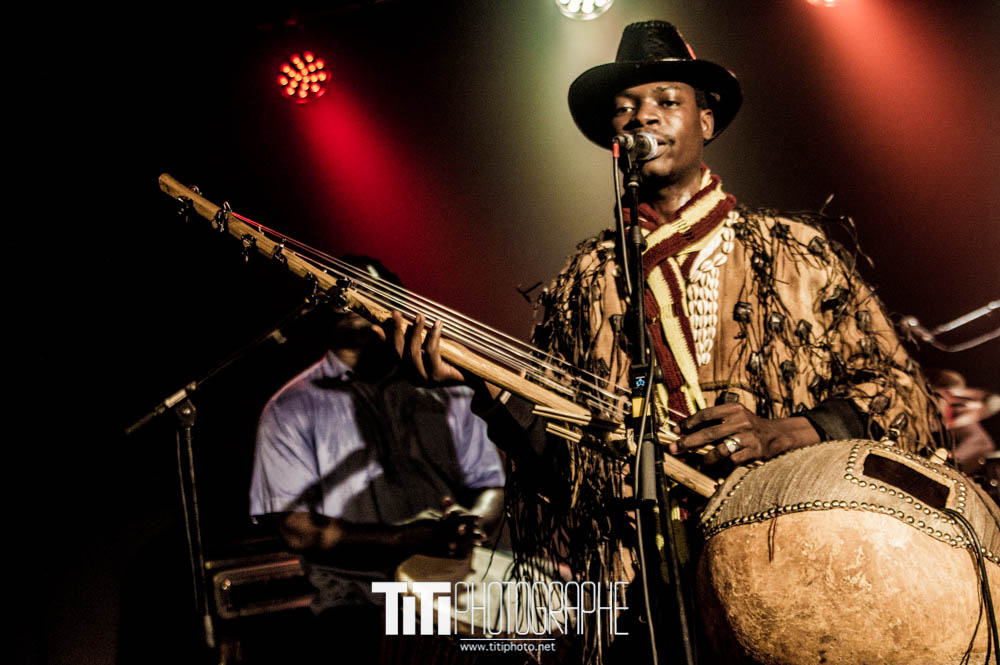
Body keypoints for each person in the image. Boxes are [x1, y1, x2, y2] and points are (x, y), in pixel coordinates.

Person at [408, 20, 945, 664]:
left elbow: (901, 396)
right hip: (650, 582)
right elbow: (567, 471)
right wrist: (484, 391)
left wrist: (783, 432)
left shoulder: (794, 253)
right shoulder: (587, 282)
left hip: (799, 556)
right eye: (626, 108)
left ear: (706, 122)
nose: (644, 118)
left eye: (667, 100)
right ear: (613, 140)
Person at [249, 256, 505, 663]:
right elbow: (296, 530)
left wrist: (471, 522)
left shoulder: (446, 388)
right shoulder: (289, 407)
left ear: (398, 309)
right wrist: (403, 540)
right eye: (346, 291)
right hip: (358, 603)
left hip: (456, 590)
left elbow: (491, 484)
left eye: (372, 294)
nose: (356, 303)